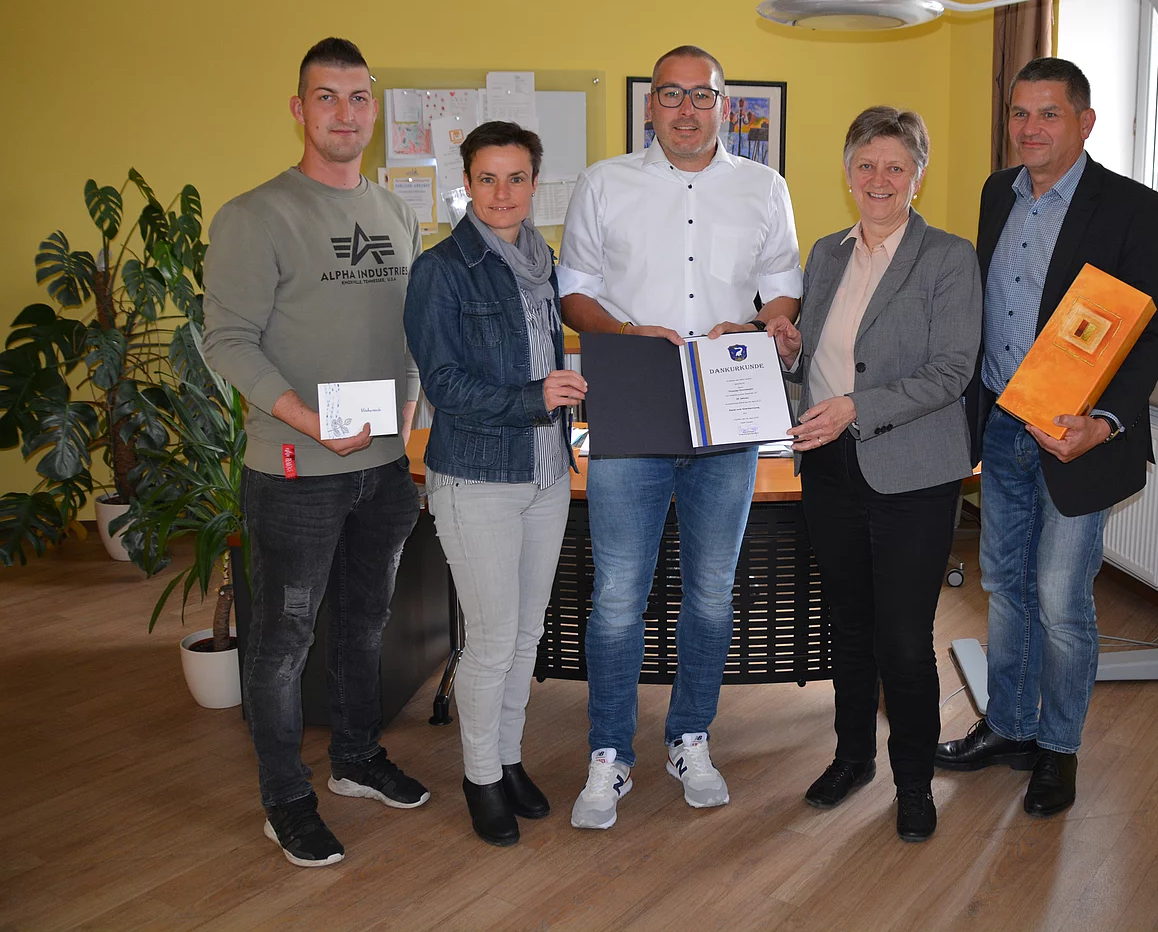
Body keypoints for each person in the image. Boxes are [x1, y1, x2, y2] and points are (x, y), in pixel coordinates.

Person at [557, 44, 803, 829]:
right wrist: (625, 332)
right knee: (617, 596)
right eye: (672, 94)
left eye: (702, 96)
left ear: (724, 105)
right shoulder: (605, 183)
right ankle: (609, 752)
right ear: (650, 105)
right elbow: (574, 291)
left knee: (711, 592)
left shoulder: (764, 188)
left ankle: (690, 735)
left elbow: (783, 286)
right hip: (634, 398)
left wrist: (767, 323)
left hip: (725, 406)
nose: (687, 110)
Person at [203, 37, 428, 868]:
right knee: (283, 642)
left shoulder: (396, 212)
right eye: (326, 97)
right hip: (296, 473)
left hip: (383, 470)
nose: (344, 112)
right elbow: (227, 340)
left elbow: (408, 332)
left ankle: (356, 759)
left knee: (366, 624)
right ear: (299, 110)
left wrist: (409, 408)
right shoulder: (255, 216)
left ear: (375, 110)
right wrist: (304, 418)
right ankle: (285, 799)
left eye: (358, 97)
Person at [935, 57, 1158, 817]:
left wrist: (1104, 424)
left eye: (1048, 113)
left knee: (1061, 599)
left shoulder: (1137, 209)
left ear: (1085, 122)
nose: (1029, 128)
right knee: (1005, 587)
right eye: (1019, 113)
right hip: (1004, 427)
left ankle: (1059, 748)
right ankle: (1009, 727)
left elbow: (1149, 332)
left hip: (1078, 437)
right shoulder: (996, 194)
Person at [765, 107, 979, 842]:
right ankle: (852, 757)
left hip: (914, 472)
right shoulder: (826, 253)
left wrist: (856, 407)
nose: (879, 179)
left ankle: (913, 782)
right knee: (848, 628)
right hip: (830, 467)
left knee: (904, 638)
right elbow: (817, 355)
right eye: (866, 165)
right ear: (848, 172)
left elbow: (951, 371)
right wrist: (789, 351)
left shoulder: (948, 257)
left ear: (918, 176)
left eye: (895, 167)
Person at [403, 121, 586, 847]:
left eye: (516, 178)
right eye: (487, 179)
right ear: (467, 183)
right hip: (476, 477)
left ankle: (508, 760)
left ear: (535, 183)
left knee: (526, 635)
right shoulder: (441, 269)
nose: (502, 193)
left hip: (547, 474)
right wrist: (536, 398)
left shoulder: (546, 263)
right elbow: (444, 384)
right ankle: (480, 777)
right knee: (490, 641)